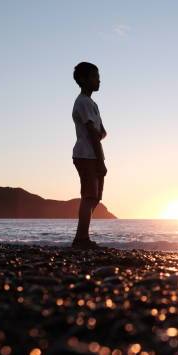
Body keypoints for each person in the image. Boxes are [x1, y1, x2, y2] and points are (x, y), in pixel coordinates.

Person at [71, 62, 108, 249]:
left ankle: (82, 236)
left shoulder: (92, 103)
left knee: (96, 196)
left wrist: (100, 157)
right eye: (95, 76)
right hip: (86, 155)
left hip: (93, 153)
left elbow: (102, 132)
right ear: (83, 80)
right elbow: (95, 134)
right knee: (89, 195)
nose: (99, 79)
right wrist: (101, 161)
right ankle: (81, 238)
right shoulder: (83, 102)